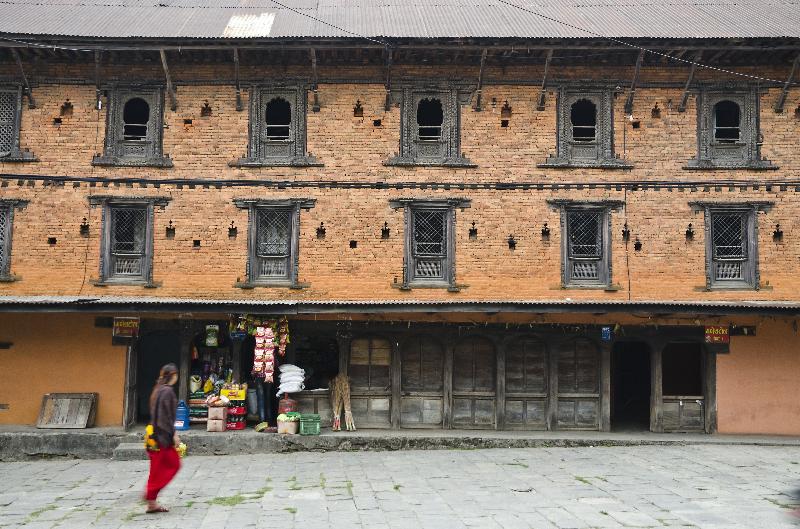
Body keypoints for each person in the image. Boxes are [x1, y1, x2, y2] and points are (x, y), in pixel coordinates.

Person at [145, 363, 181, 514]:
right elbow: (166, 417)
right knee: (174, 464)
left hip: (153, 436)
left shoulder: (158, 389)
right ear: (173, 375)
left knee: (156, 470)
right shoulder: (167, 392)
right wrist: (173, 434)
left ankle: (152, 502)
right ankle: (150, 495)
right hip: (161, 437)